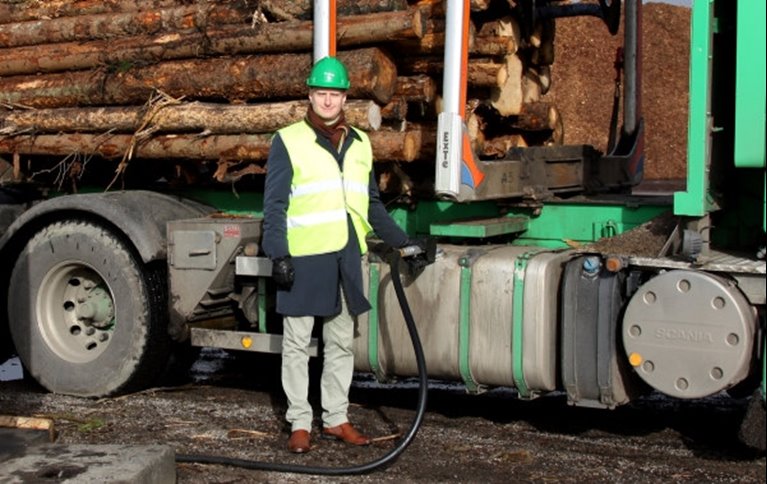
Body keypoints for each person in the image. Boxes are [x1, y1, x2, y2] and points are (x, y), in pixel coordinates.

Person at [262, 56, 431, 454]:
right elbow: (274, 207)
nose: (327, 101)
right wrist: (278, 255)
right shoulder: (288, 140)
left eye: (334, 94)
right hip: (304, 259)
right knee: (297, 344)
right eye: (320, 93)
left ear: (344, 98)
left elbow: (371, 205)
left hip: (345, 257)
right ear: (310, 94)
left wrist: (404, 242)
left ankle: (336, 418)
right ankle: (300, 423)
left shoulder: (359, 143)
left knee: (340, 343)